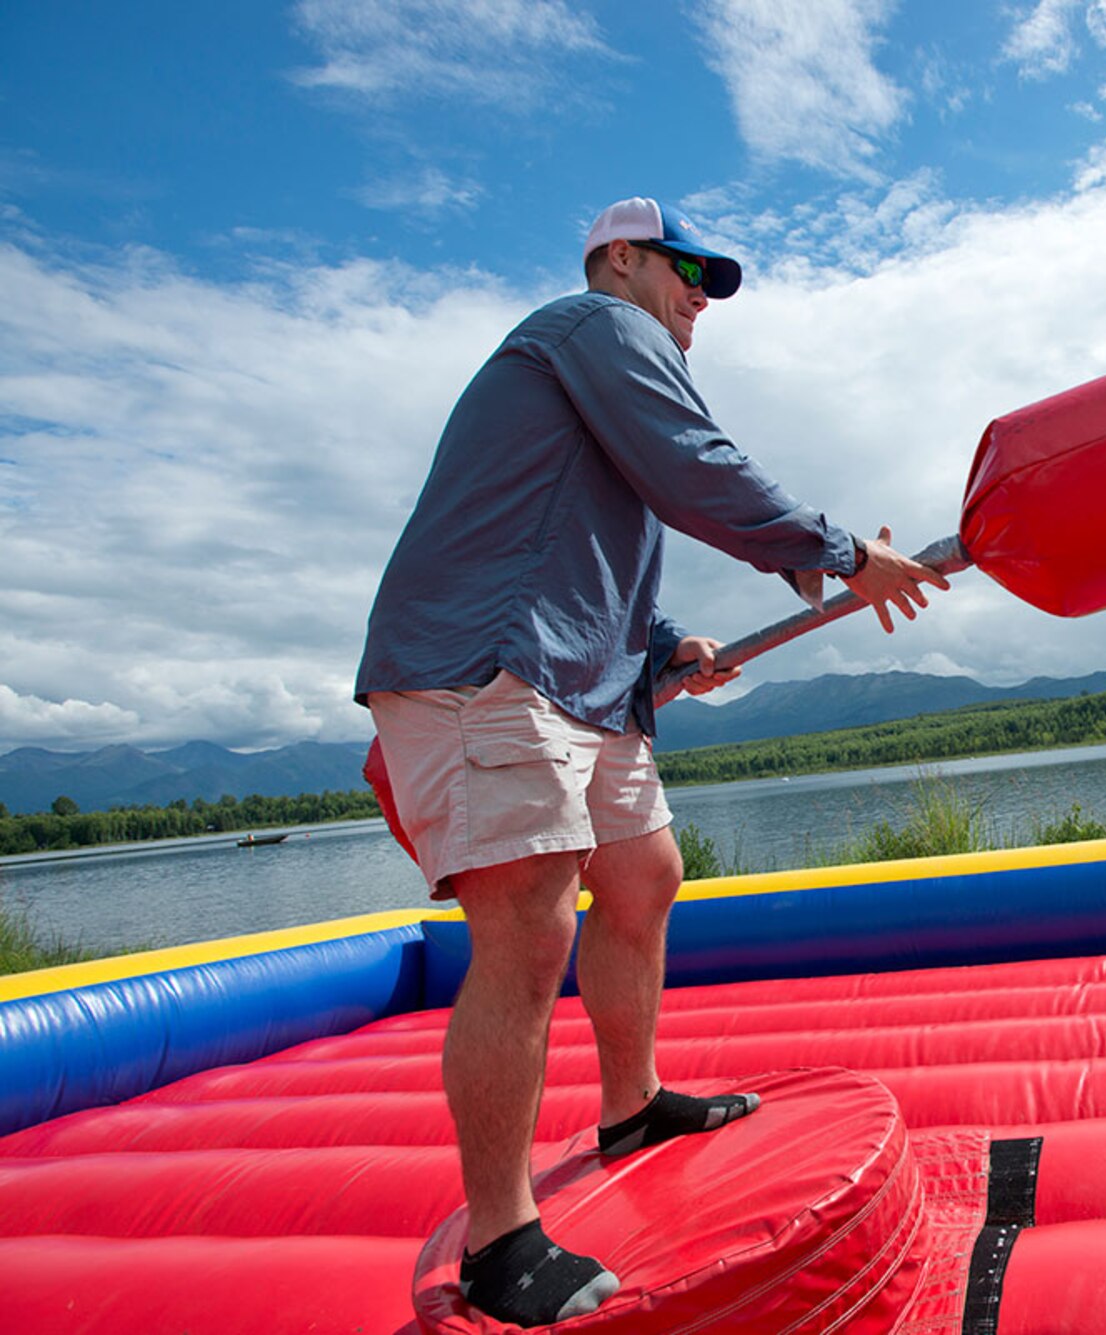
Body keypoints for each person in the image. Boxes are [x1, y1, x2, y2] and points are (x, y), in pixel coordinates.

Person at [354, 196, 948, 1326]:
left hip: (591, 678)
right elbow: (690, 465)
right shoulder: (596, 328)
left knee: (644, 876)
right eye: (689, 273)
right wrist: (838, 551)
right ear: (618, 260)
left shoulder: (595, 370)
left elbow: (591, 524)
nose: (700, 300)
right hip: (487, 666)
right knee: (529, 928)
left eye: (715, 285)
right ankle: (500, 1240)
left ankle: (629, 1105)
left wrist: (663, 639)